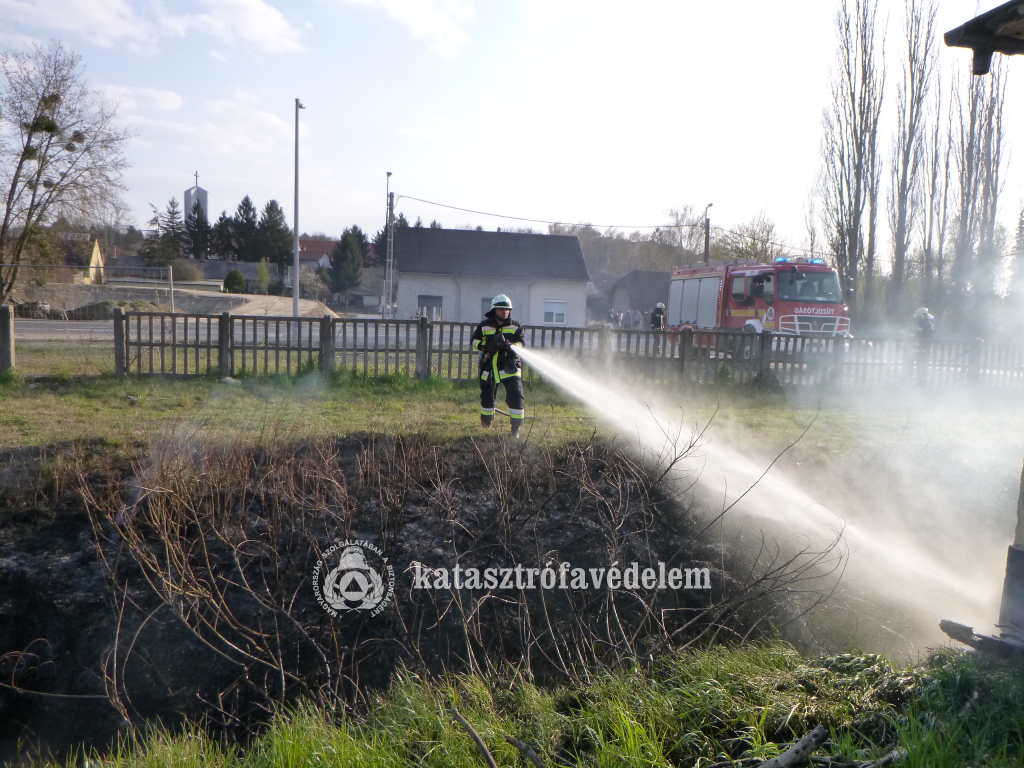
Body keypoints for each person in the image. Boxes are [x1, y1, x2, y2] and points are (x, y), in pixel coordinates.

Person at [471, 294, 526, 438]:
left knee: (516, 396)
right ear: (494, 310)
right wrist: (485, 346)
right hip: (489, 367)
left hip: (510, 367)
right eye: (501, 309)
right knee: (487, 397)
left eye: (507, 309)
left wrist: (509, 345)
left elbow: (521, 344)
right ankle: (486, 425)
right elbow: (474, 341)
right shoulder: (484, 326)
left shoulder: (516, 326)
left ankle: (515, 430)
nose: (505, 312)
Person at [913, 307, 934, 386]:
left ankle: (921, 384)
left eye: (918, 317)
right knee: (920, 368)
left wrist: (921, 345)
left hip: (923, 351)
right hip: (921, 351)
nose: (917, 319)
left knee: (922, 368)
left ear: (922, 316)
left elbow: (925, 337)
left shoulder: (926, 324)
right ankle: (920, 383)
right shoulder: (924, 324)